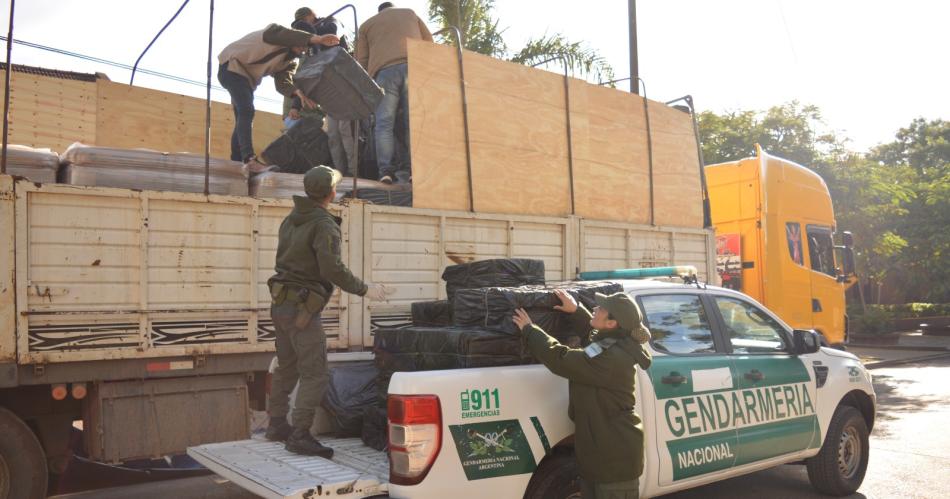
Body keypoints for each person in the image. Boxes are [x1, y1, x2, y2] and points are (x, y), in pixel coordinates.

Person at [265, 165, 392, 456]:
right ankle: (299, 434)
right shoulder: (324, 225)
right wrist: (365, 289)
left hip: (281, 303)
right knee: (316, 373)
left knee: (287, 366)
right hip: (302, 309)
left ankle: (276, 424)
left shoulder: (291, 219)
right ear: (332, 192)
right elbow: (331, 268)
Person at [512, 290, 652, 499]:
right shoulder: (615, 342)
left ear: (612, 323)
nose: (596, 309)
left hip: (615, 464)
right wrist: (576, 311)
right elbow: (592, 338)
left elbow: (561, 358)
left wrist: (530, 331)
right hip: (601, 457)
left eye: (602, 308)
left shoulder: (612, 360)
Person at [217, 23, 338, 171]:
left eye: (306, 47)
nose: (304, 49)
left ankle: (237, 161)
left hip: (246, 80)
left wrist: (297, 92)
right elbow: (290, 35)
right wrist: (318, 39)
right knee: (246, 110)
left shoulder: (289, 62)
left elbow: (282, 84)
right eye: (304, 44)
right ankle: (248, 160)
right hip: (231, 66)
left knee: (243, 115)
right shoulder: (274, 33)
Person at [355, 2, 433, 184]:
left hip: (384, 73)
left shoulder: (367, 25)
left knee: (384, 124)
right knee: (411, 122)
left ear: (379, 12)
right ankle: (414, 170)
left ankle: (386, 172)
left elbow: (361, 60)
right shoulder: (410, 13)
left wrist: (367, 86)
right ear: (393, 7)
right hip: (412, 67)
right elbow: (429, 42)